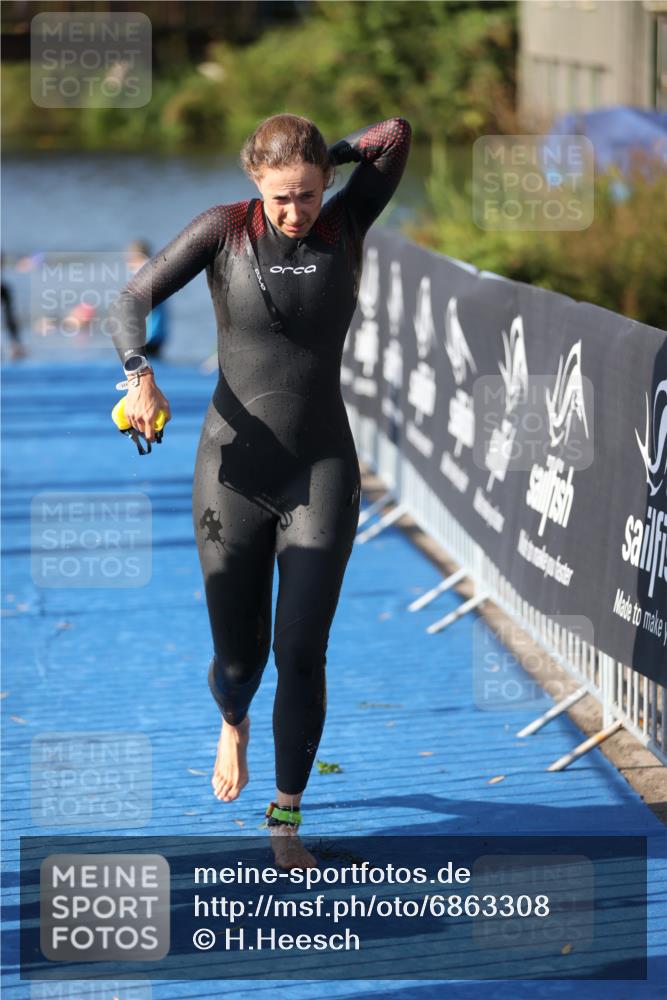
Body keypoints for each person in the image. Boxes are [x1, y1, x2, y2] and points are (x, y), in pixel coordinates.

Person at [110, 113, 412, 868]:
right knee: (239, 664)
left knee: (301, 648)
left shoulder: (345, 223)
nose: (294, 212)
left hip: (321, 467)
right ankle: (232, 717)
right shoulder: (222, 229)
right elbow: (129, 300)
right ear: (255, 182)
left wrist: (334, 159)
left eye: (307, 193)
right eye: (280, 197)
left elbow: (395, 135)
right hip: (232, 468)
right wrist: (138, 375)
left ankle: (285, 816)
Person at [124, 240, 169, 359]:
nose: (128, 263)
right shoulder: (157, 272)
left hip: (148, 336)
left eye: (131, 258)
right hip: (158, 334)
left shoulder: (145, 274)